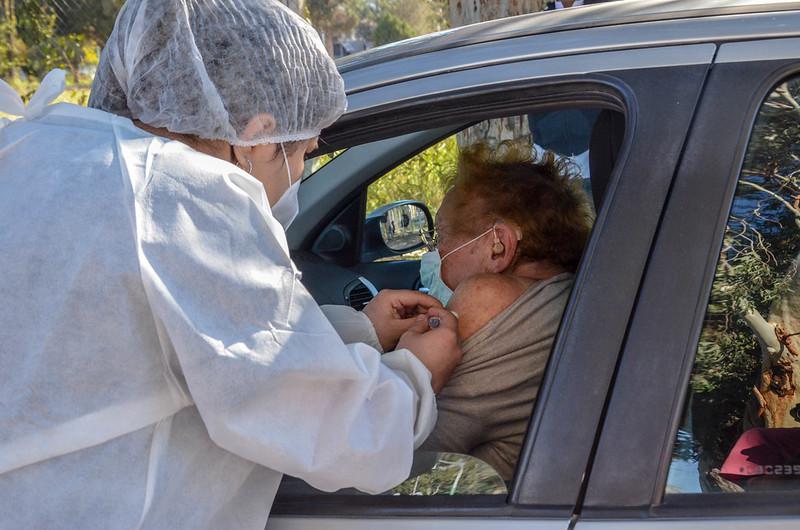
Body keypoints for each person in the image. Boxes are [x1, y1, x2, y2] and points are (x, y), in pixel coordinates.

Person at [0, 1, 460, 528]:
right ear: (256, 135)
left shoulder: (39, 150)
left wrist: (358, 331)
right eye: (303, 152)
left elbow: (173, 348)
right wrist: (415, 375)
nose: (298, 172)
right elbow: (339, 433)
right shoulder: (186, 198)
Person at [417, 141, 593, 480]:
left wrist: (396, 356)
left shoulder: (487, 295)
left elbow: (407, 452)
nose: (436, 254)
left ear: (498, 245)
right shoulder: (571, 294)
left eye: (441, 237)